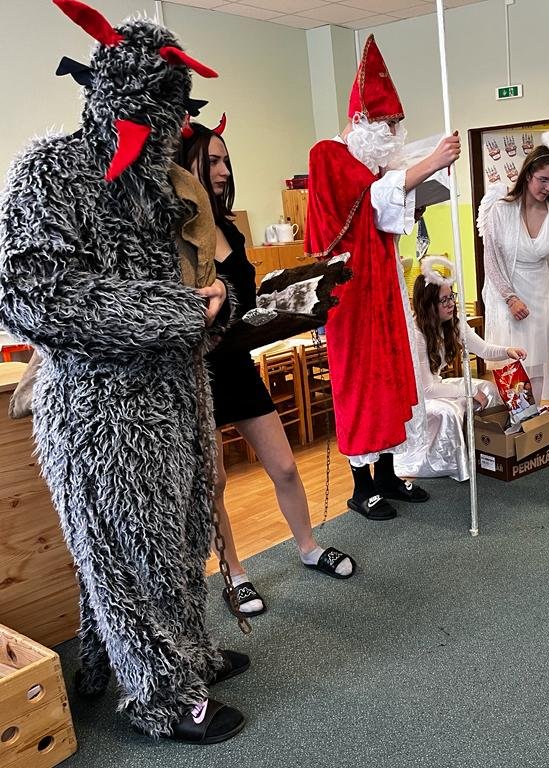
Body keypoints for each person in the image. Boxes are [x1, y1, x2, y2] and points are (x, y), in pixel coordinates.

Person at [0, 1, 246, 743]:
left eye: (172, 109)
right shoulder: (52, 172)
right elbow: (32, 292)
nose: (161, 124)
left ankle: (187, 654)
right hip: (99, 405)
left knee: (180, 535)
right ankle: (162, 696)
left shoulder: (163, 184)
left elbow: (200, 276)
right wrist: (173, 313)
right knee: (129, 550)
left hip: (177, 393)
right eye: (151, 105)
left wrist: (216, 304)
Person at [179, 119, 355, 617]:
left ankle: (308, 546)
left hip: (236, 365)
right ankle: (235, 574)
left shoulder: (230, 228)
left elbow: (245, 295)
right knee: (214, 483)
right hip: (194, 375)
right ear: (186, 166)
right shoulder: (174, 236)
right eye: (212, 161)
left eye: (226, 162)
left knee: (283, 466)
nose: (223, 171)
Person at [304, 34, 460, 521]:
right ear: (362, 121)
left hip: (384, 288)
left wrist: (418, 190)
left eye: (396, 124)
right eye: (386, 123)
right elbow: (367, 199)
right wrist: (429, 163)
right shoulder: (328, 156)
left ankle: (389, 474)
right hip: (349, 298)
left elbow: (385, 212)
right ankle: (361, 486)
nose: (393, 132)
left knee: (391, 379)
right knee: (360, 387)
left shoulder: (377, 166)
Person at [395, 256, 527, 481]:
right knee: (450, 412)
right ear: (428, 305)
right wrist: (468, 390)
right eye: (443, 300)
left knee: (488, 389)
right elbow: (426, 390)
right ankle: (451, 462)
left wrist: (508, 351)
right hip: (416, 396)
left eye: (451, 297)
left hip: (435, 386)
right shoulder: (416, 334)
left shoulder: (453, 323)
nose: (450, 304)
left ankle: (487, 447)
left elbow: (483, 349)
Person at [478, 135, 549, 402]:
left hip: (542, 295)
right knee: (513, 362)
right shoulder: (500, 211)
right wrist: (510, 298)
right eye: (543, 179)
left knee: (540, 361)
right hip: (508, 293)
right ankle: (515, 417)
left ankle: (538, 418)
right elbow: (491, 260)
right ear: (528, 174)